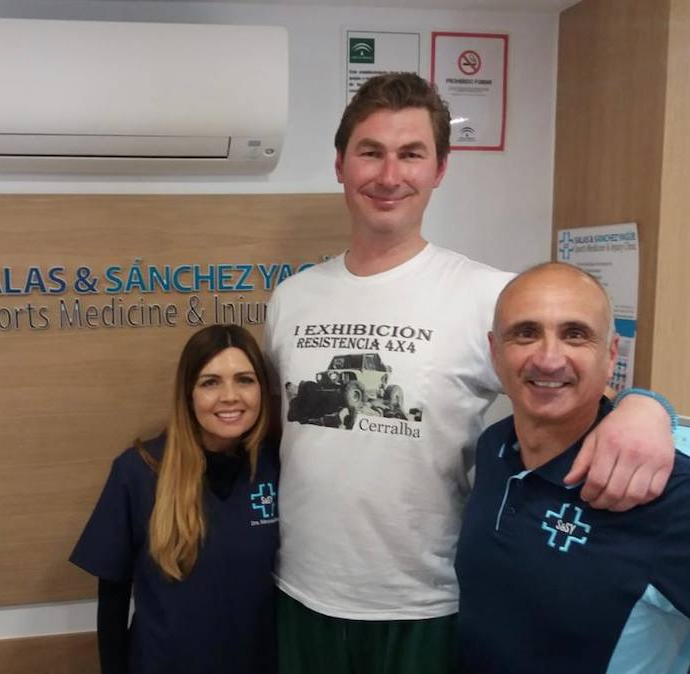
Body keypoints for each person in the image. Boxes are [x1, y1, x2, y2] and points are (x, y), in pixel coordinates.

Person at [263, 71, 676, 674]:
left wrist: (647, 406)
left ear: (439, 170)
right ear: (340, 164)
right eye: (370, 152)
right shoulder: (291, 299)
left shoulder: (489, 294)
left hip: (428, 604)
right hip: (300, 592)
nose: (388, 175)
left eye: (411, 154)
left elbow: (578, 382)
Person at [456, 262, 690, 673]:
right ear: (495, 352)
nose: (548, 359)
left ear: (611, 353)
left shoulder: (670, 487)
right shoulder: (495, 448)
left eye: (575, 334)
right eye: (526, 333)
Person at [70, 324, 279, 674]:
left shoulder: (278, 466)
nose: (230, 396)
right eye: (210, 382)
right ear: (188, 394)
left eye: (244, 379)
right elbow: (113, 596)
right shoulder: (138, 472)